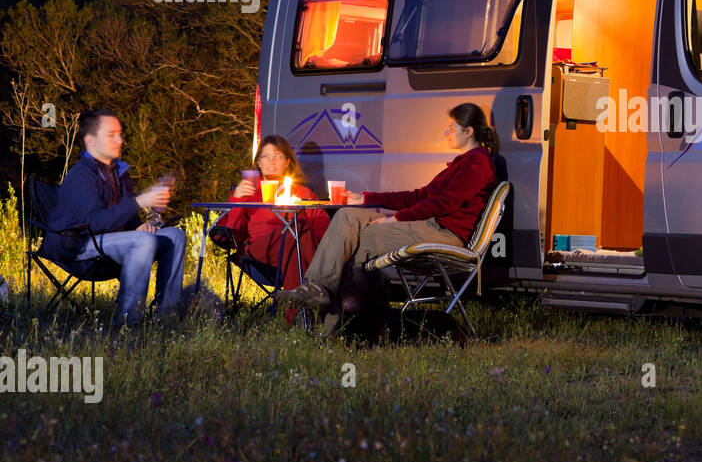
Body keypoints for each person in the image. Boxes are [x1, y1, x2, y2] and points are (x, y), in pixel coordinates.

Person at [275, 104, 500, 326]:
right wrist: (366, 198)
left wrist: (397, 219)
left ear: (468, 131)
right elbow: (418, 196)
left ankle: (336, 324)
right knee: (346, 216)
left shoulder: (477, 164)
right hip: (429, 226)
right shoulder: (461, 165)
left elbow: (443, 203)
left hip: (443, 233)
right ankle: (316, 289)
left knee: (356, 242)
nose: (445, 133)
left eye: (451, 128)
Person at [47, 109, 187, 326]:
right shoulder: (81, 175)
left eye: (119, 134)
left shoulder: (119, 172)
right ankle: (127, 322)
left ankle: (164, 316)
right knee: (143, 241)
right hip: (78, 244)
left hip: (111, 242)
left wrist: (138, 225)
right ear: (91, 141)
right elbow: (95, 223)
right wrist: (140, 202)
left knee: (174, 236)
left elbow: (124, 215)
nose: (119, 139)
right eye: (111, 134)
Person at [212, 135, 328, 325]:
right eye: (266, 156)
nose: (272, 161)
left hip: (297, 249)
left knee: (295, 235)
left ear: (287, 161)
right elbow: (228, 231)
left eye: (278, 156)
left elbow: (323, 230)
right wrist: (237, 200)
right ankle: (317, 303)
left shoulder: (303, 193)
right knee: (296, 231)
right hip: (259, 251)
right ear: (258, 162)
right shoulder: (248, 190)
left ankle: (299, 317)